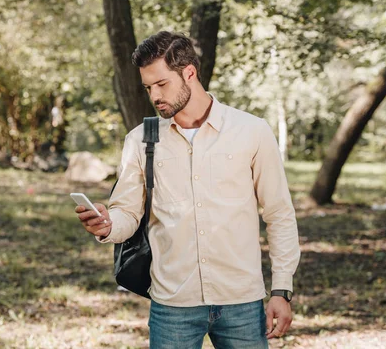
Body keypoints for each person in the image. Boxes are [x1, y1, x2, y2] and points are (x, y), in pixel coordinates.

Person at [75, 31, 300, 349]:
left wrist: (281, 289)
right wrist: (107, 223)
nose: (154, 96)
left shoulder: (252, 132)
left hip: (242, 301)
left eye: (161, 84)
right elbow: (126, 213)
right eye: (148, 87)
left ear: (189, 73)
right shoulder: (141, 140)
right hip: (172, 305)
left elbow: (279, 214)